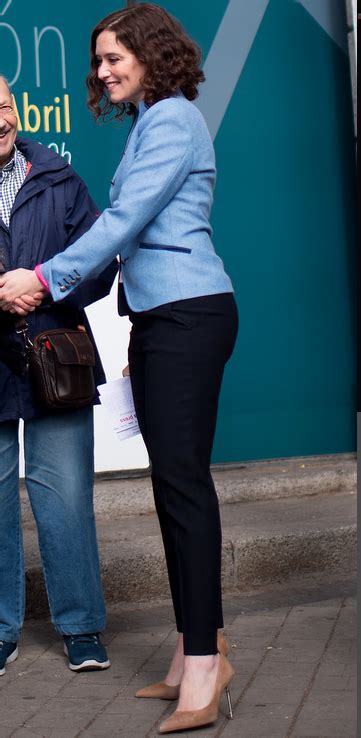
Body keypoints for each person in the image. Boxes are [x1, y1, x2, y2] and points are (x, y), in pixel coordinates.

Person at [0, 5, 239, 732]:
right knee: (174, 490)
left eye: (114, 57)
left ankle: (205, 662)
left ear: (150, 52)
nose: (102, 72)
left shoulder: (168, 122)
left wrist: (40, 279)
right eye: (98, 60)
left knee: (183, 490)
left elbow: (123, 223)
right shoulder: (152, 120)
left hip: (188, 314)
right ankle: (194, 650)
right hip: (165, 318)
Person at [0, 75, 118, 676]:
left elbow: (99, 264)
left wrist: (41, 282)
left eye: (4, 104)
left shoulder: (59, 179)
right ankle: (0, 630)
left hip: (56, 360)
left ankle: (81, 626)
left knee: (67, 499)